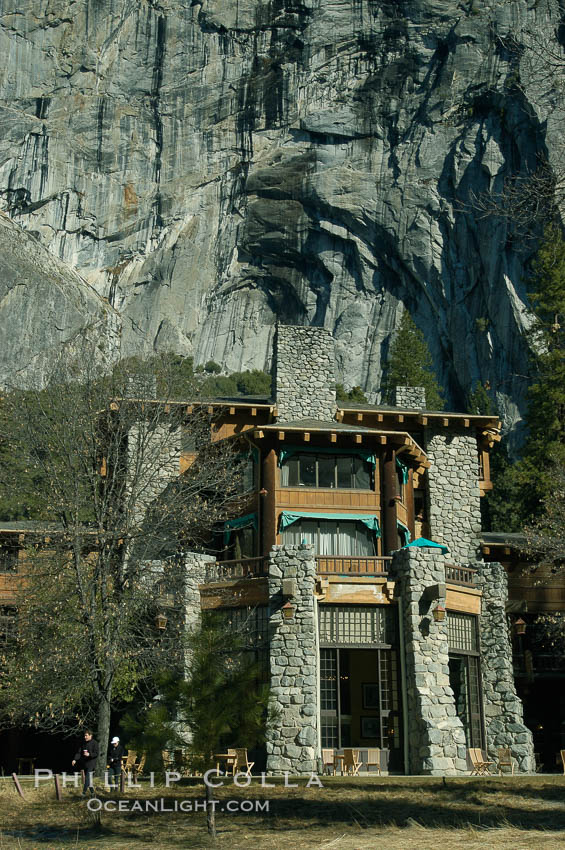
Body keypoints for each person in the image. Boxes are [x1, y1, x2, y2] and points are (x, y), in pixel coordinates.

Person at [72, 729, 99, 796]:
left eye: (86, 736)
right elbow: (79, 753)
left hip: (92, 763)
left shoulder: (95, 743)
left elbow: (96, 753)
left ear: (90, 736)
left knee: (87, 778)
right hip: (85, 763)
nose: (85, 737)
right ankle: (92, 792)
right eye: (84, 735)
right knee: (88, 780)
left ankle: (83, 793)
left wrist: (89, 754)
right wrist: (75, 759)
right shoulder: (83, 743)